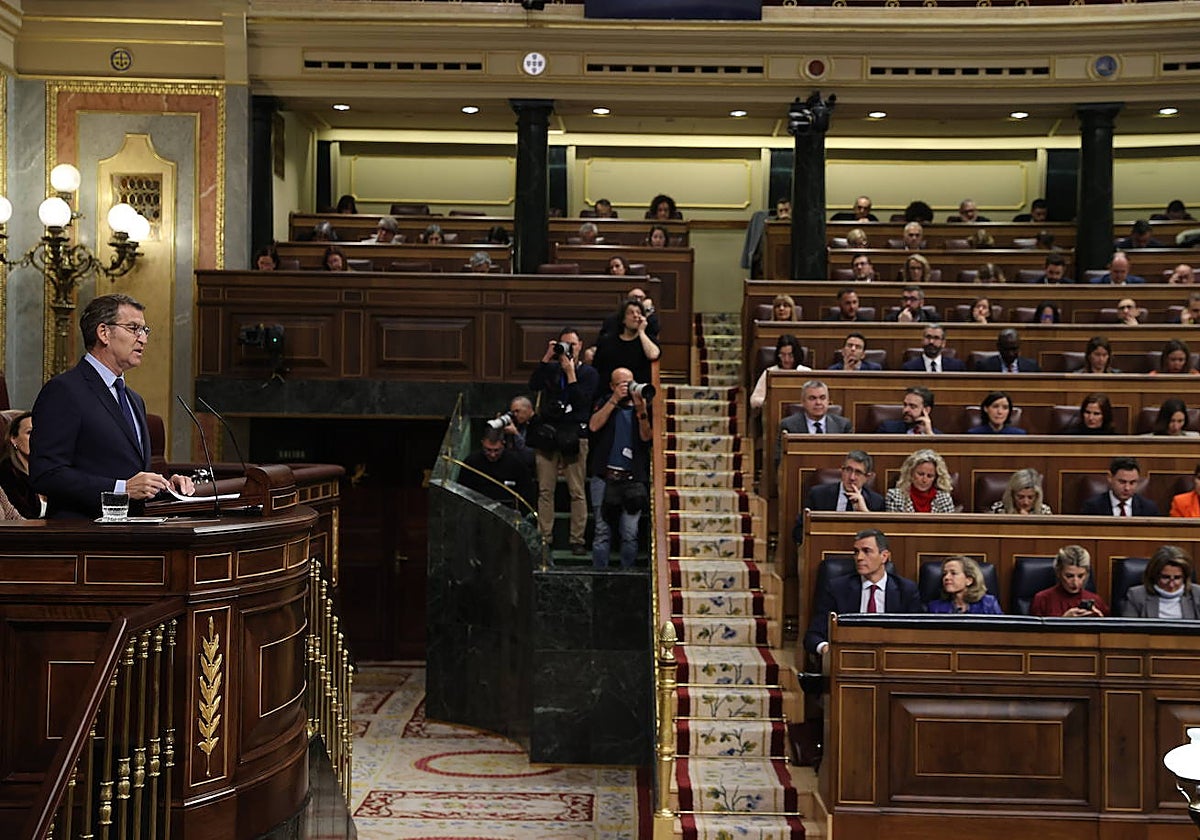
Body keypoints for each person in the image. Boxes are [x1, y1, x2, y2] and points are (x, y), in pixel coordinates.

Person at [29, 293, 196, 518]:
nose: (143, 339)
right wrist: (120, 489)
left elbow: (129, 473)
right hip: (85, 538)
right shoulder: (64, 391)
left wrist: (165, 487)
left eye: (145, 330)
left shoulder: (134, 399)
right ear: (104, 333)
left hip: (134, 536)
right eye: (133, 328)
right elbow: (46, 474)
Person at [528, 327, 598, 554]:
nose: (569, 349)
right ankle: (544, 538)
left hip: (574, 434)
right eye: (564, 345)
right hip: (548, 434)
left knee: (576, 491)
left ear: (581, 346)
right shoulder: (551, 369)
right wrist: (547, 358)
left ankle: (577, 540)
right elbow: (534, 385)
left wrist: (570, 374)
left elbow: (581, 403)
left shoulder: (588, 374)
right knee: (545, 490)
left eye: (573, 344)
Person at [803, 528, 923, 659]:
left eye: (866, 551)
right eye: (856, 552)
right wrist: (826, 649)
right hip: (848, 659)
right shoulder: (837, 588)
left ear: (884, 556)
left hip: (893, 661)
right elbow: (813, 636)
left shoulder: (906, 590)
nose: (859, 558)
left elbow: (917, 635)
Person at [587, 367, 652, 569]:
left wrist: (641, 410)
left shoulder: (643, 405)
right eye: (622, 384)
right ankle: (600, 577)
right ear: (612, 386)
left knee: (630, 534)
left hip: (632, 480)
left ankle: (627, 577)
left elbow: (646, 437)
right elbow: (593, 426)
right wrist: (614, 400)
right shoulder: (604, 401)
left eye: (630, 382)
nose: (627, 387)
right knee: (601, 531)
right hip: (604, 477)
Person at [457, 427, 535, 511]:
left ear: (503, 444)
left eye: (496, 450)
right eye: (488, 450)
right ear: (482, 443)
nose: (492, 455)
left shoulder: (516, 462)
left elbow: (527, 490)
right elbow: (462, 491)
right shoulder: (471, 462)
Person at [593, 298, 661, 385]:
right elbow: (598, 368)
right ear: (623, 319)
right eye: (631, 313)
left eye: (639, 313)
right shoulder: (608, 341)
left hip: (639, 391)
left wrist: (641, 332)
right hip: (611, 390)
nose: (636, 316)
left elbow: (653, 355)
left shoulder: (647, 339)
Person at [1122, 546, 1200, 619]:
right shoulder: (1136, 595)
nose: (1171, 584)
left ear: (1185, 577)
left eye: (1177, 578)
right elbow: (1129, 631)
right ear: (1154, 575)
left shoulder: (1197, 594)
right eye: (1165, 577)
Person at [1030, 545, 1108, 617]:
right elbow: (1033, 631)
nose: (1075, 582)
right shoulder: (1042, 600)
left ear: (1087, 574)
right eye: (1069, 576)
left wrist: (1101, 622)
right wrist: (1064, 621)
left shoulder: (1096, 601)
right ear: (1058, 572)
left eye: (1080, 576)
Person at [804, 451, 886, 514]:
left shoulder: (877, 502)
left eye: (858, 472)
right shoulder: (818, 495)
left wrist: (865, 512)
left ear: (867, 477)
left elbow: (879, 535)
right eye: (848, 470)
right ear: (842, 471)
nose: (852, 477)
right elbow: (800, 530)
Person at [1080, 456, 1160, 516]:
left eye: (1132, 483)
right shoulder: (1092, 507)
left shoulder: (1149, 508)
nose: (1127, 488)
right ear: (1110, 478)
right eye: (1122, 482)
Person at [779, 379, 851, 445]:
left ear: (828, 401)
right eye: (812, 398)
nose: (818, 402)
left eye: (822, 398)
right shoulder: (788, 426)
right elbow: (780, 457)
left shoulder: (843, 426)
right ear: (803, 402)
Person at [0, 412, 44, 518]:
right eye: (29, 432)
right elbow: (18, 519)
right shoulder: (6, 474)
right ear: (13, 439)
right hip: (30, 532)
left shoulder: (53, 470)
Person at [751, 334, 811, 411]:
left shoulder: (806, 372)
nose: (786, 359)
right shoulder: (770, 373)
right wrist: (769, 402)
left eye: (790, 355)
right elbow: (754, 400)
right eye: (783, 355)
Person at [886, 448, 955, 513]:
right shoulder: (895, 496)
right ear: (911, 473)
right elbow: (895, 525)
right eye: (920, 474)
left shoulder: (944, 499)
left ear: (935, 478)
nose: (924, 480)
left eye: (929, 476)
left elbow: (948, 525)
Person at [926, 556, 1003, 614]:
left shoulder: (988, 604)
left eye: (953, 573)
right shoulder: (935, 607)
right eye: (944, 574)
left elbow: (1002, 631)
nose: (946, 577)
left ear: (969, 580)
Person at [876, 386, 940, 435]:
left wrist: (929, 434)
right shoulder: (888, 429)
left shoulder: (936, 435)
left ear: (926, 410)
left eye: (912, 406)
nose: (906, 410)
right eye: (905, 405)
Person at [902, 324, 966, 373]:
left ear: (943, 343)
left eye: (936, 338)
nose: (931, 342)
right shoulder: (909, 367)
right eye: (928, 337)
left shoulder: (957, 366)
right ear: (922, 340)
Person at [975, 328, 1041, 373]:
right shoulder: (984, 366)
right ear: (998, 347)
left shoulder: (1032, 366)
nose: (1010, 354)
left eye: (1014, 349)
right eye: (1006, 349)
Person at [500, 395, 537, 473]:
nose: (515, 415)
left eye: (517, 411)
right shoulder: (519, 424)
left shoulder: (537, 424)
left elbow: (530, 456)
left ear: (528, 408)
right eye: (513, 412)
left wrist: (515, 433)